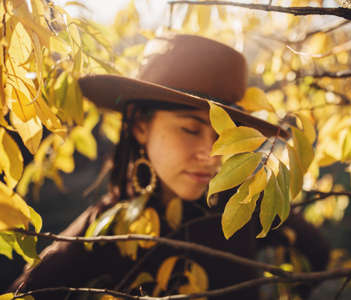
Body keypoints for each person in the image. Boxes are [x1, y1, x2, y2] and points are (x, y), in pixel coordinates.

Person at [10, 34, 329, 299]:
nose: (211, 154)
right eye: (190, 130)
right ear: (140, 127)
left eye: (223, 138)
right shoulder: (107, 231)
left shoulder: (244, 204)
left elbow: (317, 254)